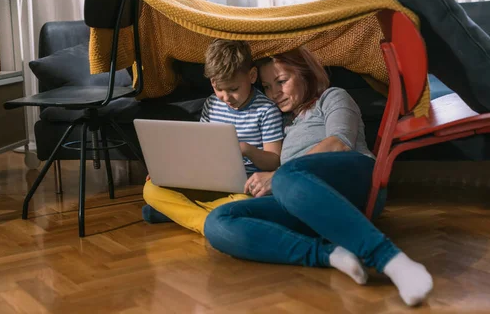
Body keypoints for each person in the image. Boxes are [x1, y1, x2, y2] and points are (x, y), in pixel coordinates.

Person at [203, 46, 433, 307]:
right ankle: (329, 255)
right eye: (267, 87)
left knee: (286, 177)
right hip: (302, 199)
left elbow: (340, 142)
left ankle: (391, 260)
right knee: (218, 221)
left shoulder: (332, 97)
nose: (274, 93)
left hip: (355, 181)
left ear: (304, 73)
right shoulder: (286, 124)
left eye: (281, 81)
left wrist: (277, 175)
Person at [141, 39, 284, 235]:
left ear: (251, 76)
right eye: (219, 89)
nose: (226, 97)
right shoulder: (211, 104)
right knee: (151, 189)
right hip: (209, 180)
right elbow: (199, 148)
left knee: (246, 203)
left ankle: (183, 212)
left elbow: (274, 161)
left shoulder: (266, 110)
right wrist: (167, 171)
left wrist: (246, 149)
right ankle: (210, 224)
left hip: (243, 187)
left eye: (233, 89)